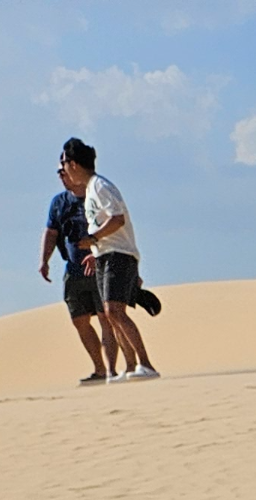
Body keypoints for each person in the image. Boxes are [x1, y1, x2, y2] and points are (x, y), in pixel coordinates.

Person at [58, 141, 156, 381]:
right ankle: (132, 367)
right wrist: (96, 248)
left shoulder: (100, 186)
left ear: (73, 164)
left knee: (114, 311)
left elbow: (117, 219)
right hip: (105, 254)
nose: (63, 170)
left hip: (118, 255)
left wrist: (93, 238)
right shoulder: (92, 188)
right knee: (111, 314)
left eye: (64, 165)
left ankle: (146, 364)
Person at [39, 159, 108, 384]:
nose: (61, 176)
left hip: (100, 266)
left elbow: (115, 225)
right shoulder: (58, 202)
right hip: (74, 269)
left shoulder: (96, 195)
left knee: (107, 318)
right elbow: (51, 233)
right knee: (79, 320)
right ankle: (99, 369)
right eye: (59, 172)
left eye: (64, 171)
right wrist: (44, 260)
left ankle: (113, 370)